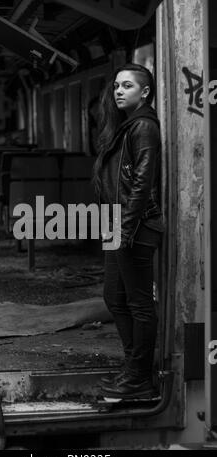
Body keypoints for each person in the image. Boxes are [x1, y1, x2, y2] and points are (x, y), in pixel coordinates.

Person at [92, 63, 166, 400]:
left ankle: (139, 378)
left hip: (134, 226)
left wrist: (126, 227)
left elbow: (142, 182)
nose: (119, 91)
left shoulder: (144, 127)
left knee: (138, 304)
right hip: (119, 224)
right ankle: (132, 368)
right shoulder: (128, 126)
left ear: (145, 92)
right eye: (117, 86)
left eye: (127, 86)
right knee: (114, 297)